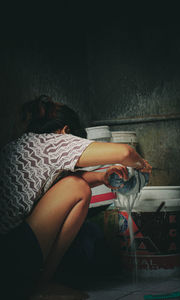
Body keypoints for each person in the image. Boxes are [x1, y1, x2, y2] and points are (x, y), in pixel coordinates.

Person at [0, 95, 152, 299]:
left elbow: (58, 185)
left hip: (7, 258)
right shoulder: (53, 142)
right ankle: (40, 286)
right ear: (65, 132)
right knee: (78, 188)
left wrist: (102, 176)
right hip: (10, 262)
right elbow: (125, 153)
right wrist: (142, 165)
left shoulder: (25, 146)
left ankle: (32, 285)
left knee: (75, 183)